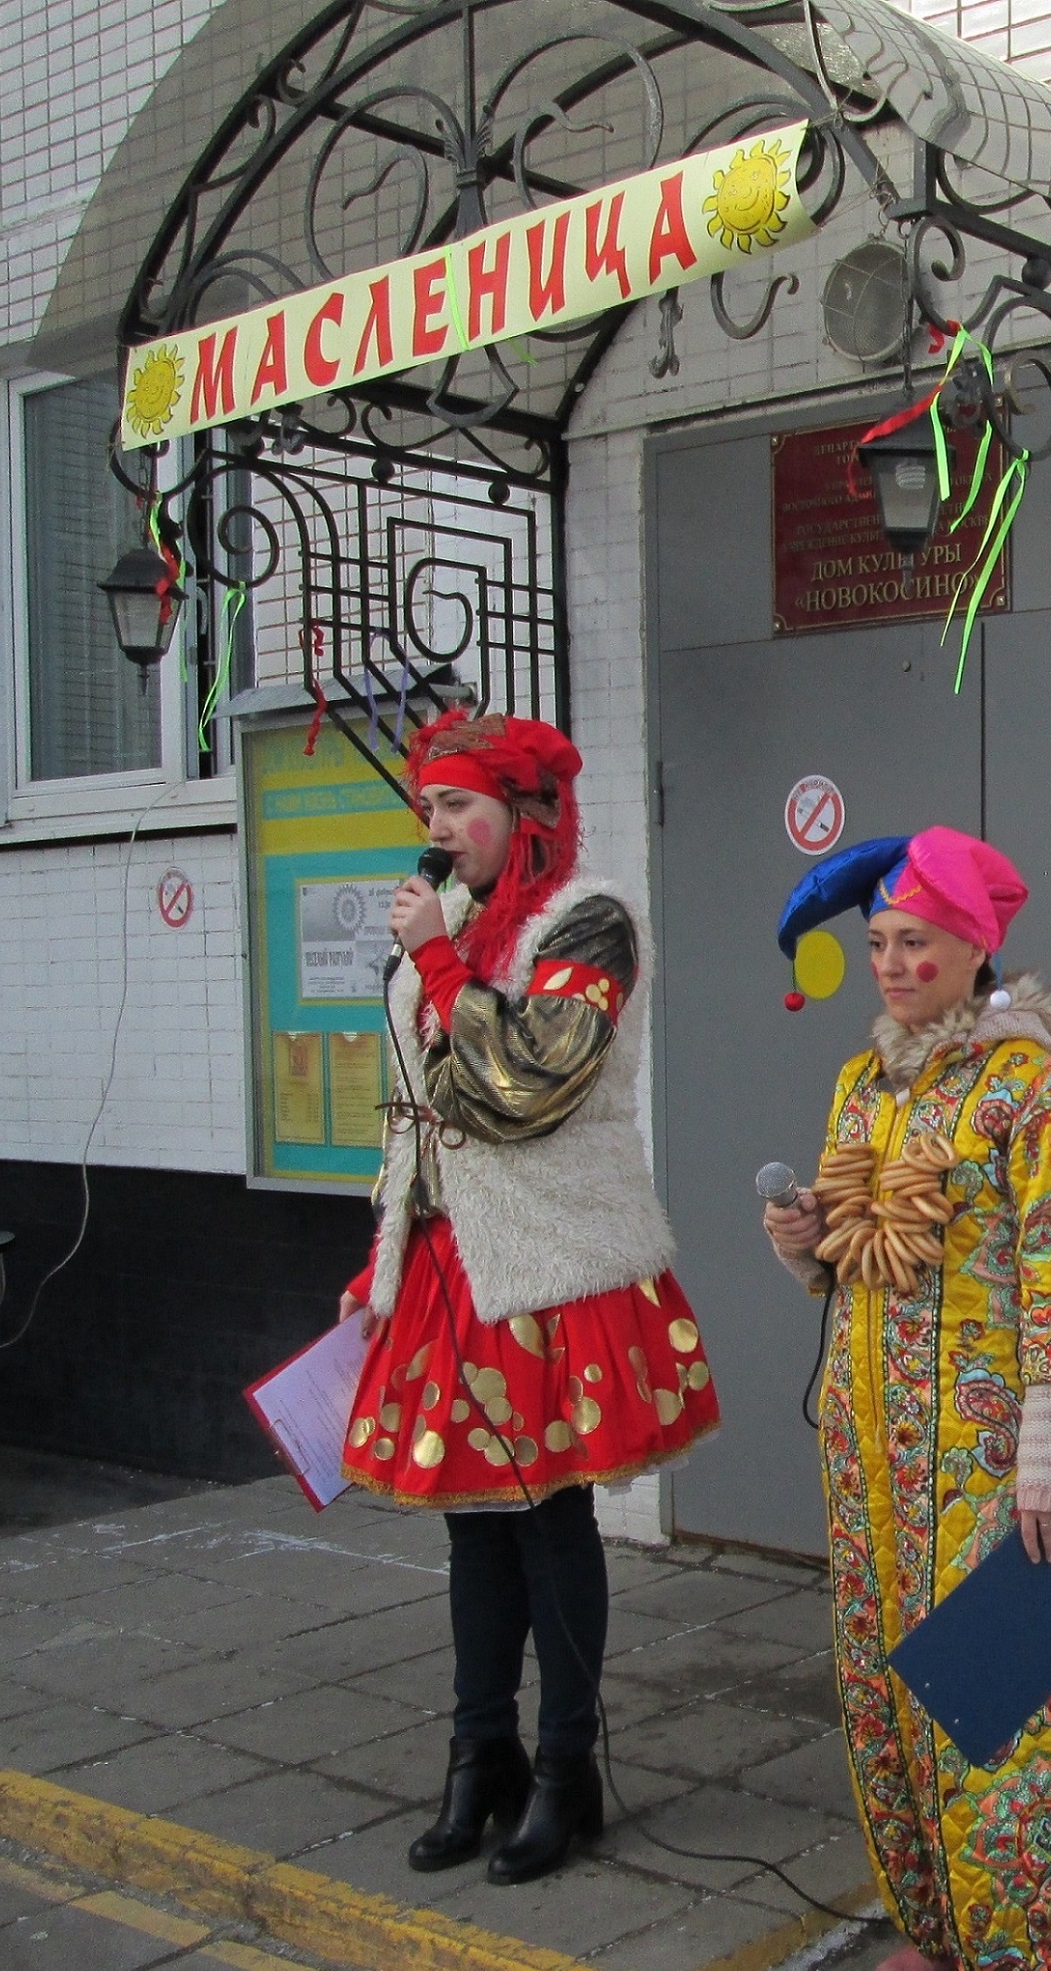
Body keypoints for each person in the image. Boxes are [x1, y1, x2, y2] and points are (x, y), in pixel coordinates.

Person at [336, 708, 718, 1887]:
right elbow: (414, 1099)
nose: (438, 831)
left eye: (459, 808)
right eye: (429, 810)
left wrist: (440, 965)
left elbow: (528, 1080)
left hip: (547, 1256)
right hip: (450, 1258)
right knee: (473, 1527)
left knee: (551, 1519)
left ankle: (568, 1771)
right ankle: (480, 1755)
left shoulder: (590, 921)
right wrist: (384, 1244)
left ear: (520, 814)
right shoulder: (443, 922)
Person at [761, 827, 1051, 1971]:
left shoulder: (1027, 1084)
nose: (893, 963)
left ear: (974, 949)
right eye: (878, 943)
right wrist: (807, 1247)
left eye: (916, 942)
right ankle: (939, 1922)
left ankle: (1044, 1950)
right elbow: (857, 1253)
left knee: (1004, 1690)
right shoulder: (863, 1082)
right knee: (886, 1688)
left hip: (987, 1443)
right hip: (868, 1448)